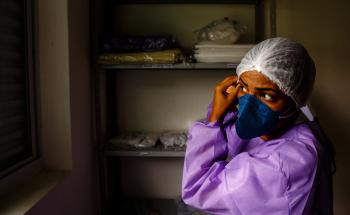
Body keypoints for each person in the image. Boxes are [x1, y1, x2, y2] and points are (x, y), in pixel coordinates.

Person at [181, 37, 336, 215]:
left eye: (267, 96)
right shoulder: (284, 125)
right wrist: (223, 114)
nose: (248, 104)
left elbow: (197, 189)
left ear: (295, 100)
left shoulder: (284, 164)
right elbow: (234, 139)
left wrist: (215, 119)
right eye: (244, 88)